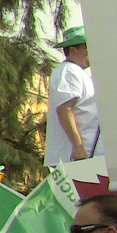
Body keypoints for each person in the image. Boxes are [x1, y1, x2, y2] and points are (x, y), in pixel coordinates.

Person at [47, 27, 99, 166]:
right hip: (73, 157)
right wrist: (78, 147)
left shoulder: (80, 73)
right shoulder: (68, 71)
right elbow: (65, 109)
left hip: (86, 156)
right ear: (73, 50)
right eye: (87, 47)